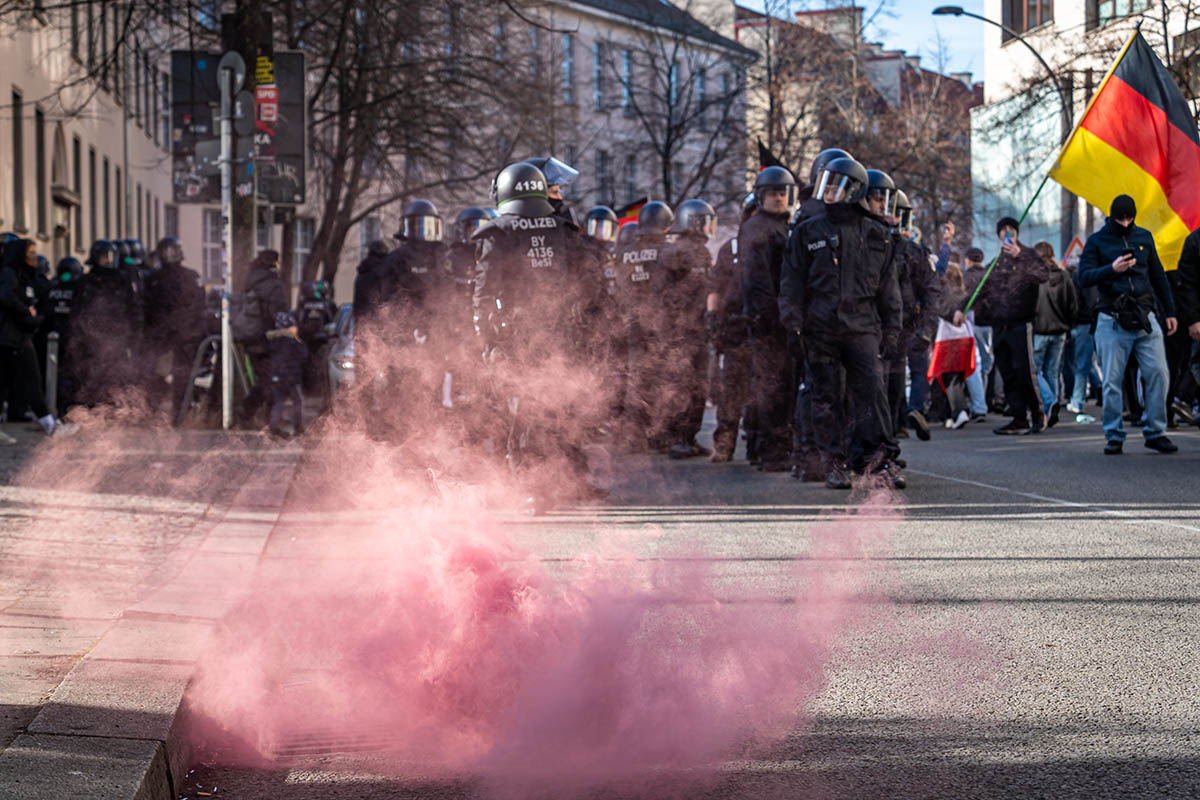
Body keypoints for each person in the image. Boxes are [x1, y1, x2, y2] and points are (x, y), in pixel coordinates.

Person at [472, 160, 602, 509]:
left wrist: (484, 337)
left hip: (516, 337)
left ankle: (532, 486)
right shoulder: (562, 229)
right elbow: (590, 280)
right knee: (554, 409)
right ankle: (551, 482)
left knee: (524, 411)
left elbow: (483, 293)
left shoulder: (499, 232)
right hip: (559, 336)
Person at [780, 155, 903, 489]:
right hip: (820, 328)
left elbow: (888, 289)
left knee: (873, 395)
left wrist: (893, 328)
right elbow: (791, 284)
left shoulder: (878, 234)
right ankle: (833, 464)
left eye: (837, 184)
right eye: (827, 183)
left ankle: (880, 462)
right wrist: (792, 325)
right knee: (826, 398)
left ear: (855, 190)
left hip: (862, 328)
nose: (829, 191)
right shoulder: (807, 231)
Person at [1077, 195, 1178, 454]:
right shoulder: (1097, 241)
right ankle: (1114, 434)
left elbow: (1158, 276)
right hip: (1112, 317)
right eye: (1121, 218)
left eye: (1129, 218)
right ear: (1112, 216)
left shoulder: (1144, 237)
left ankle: (1155, 431)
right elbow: (1083, 277)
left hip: (1145, 315)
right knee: (1112, 380)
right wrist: (1112, 268)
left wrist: (1170, 312)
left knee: (1158, 373)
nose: (1125, 222)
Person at [954, 217, 1049, 435]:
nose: (1007, 234)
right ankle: (1018, 417)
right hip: (999, 324)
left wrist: (1021, 256)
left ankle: (1037, 412)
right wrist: (963, 308)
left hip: (1020, 322)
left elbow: (1043, 275)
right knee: (1007, 372)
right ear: (998, 235)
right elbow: (980, 289)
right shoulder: (996, 263)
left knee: (1025, 370)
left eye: (1011, 230)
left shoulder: (1028, 255)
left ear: (1016, 233)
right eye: (1003, 231)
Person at [741, 165, 796, 472]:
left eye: (782, 192)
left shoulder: (779, 226)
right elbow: (757, 279)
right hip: (769, 321)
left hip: (777, 317)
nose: (779, 198)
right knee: (773, 386)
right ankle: (772, 450)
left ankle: (766, 447)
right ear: (761, 196)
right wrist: (772, 315)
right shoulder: (758, 228)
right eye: (773, 193)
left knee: (777, 385)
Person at [616, 201, 674, 451]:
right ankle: (657, 434)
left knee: (637, 378)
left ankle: (633, 435)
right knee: (662, 378)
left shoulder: (625, 251)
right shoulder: (668, 251)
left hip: (633, 321)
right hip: (660, 322)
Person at [660, 198, 716, 459]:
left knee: (699, 385)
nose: (708, 228)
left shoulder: (702, 252)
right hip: (680, 332)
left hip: (698, 329)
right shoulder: (674, 252)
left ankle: (690, 436)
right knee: (680, 384)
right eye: (704, 222)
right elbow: (665, 293)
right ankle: (676, 438)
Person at [0, 238, 73, 436]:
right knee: (32, 379)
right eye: (30, 253)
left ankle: (49, 423)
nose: (33, 257)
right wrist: (27, 312)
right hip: (13, 337)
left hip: (17, 336)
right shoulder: (9, 273)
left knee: (5, 382)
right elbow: (7, 298)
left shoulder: (22, 275)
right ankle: (50, 425)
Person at [708, 194, 756, 462]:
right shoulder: (731, 248)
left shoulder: (777, 241)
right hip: (735, 328)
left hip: (763, 326)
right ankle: (724, 444)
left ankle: (758, 444)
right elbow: (715, 286)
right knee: (732, 389)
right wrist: (713, 318)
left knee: (763, 388)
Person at [72, 239, 142, 409]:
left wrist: (133, 335)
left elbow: (132, 308)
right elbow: (77, 310)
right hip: (92, 339)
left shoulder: (122, 280)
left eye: (111, 256)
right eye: (104, 256)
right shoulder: (86, 281)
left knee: (117, 376)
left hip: (117, 337)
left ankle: (116, 409)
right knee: (93, 377)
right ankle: (94, 409)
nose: (108, 260)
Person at [143, 237, 206, 420]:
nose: (170, 255)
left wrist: (191, 330)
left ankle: (181, 413)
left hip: (185, 337)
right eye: (166, 252)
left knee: (183, 377)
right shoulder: (153, 279)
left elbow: (198, 306)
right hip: (160, 337)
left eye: (173, 251)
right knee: (154, 374)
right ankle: (155, 411)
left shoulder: (191, 277)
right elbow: (147, 308)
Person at [1031, 241, 1077, 428]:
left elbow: (1031, 305)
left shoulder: (1035, 278)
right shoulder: (1064, 276)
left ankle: (1049, 402)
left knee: (1035, 370)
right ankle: (1053, 406)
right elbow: (1072, 304)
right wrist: (1068, 326)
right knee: (1052, 370)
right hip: (1059, 330)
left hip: (1040, 329)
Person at [241, 249, 289, 427]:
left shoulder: (251, 279)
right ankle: (250, 413)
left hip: (251, 337)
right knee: (271, 380)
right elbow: (279, 313)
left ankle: (264, 417)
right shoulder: (273, 284)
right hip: (268, 339)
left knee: (266, 379)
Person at [39, 257, 85, 414]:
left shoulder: (52, 287)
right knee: (71, 375)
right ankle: (66, 408)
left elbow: (44, 311)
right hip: (71, 339)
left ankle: (59, 407)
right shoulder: (81, 289)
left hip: (53, 337)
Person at [267, 310, 307, 438]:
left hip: (277, 376)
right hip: (291, 377)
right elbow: (303, 354)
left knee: (278, 402)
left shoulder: (274, 341)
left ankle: (273, 427)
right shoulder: (293, 342)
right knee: (298, 402)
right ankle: (298, 427)